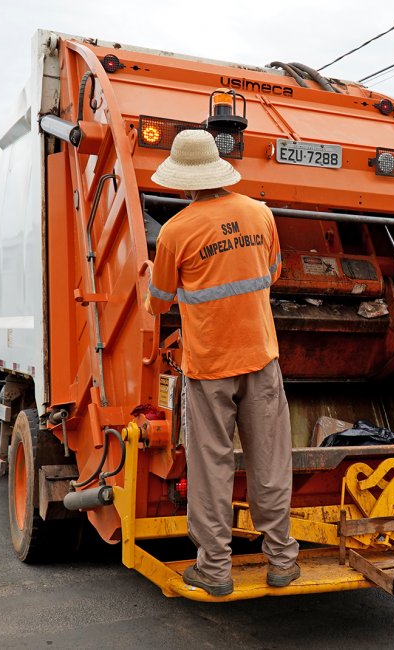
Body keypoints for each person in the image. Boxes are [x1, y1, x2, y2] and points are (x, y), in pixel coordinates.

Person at [144, 129, 299, 596]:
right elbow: (273, 273)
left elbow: (158, 302)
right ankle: (281, 560)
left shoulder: (175, 231)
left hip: (209, 366)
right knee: (270, 460)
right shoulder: (260, 214)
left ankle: (214, 569)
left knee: (211, 464)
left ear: (184, 181)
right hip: (261, 357)